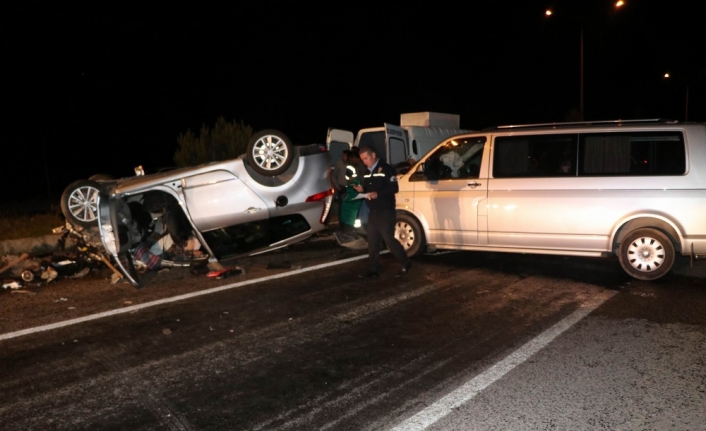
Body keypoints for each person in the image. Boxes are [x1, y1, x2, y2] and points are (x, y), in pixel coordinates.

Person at [353, 146, 412, 278]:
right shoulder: (366, 171)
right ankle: (373, 269)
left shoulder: (387, 169)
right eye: (362, 159)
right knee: (372, 240)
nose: (364, 162)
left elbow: (393, 188)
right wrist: (361, 189)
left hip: (385, 210)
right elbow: (367, 188)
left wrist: (377, 194)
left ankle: (405, 262)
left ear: (373, 155)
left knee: (389, 239)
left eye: (366, 158)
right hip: (373, 210)